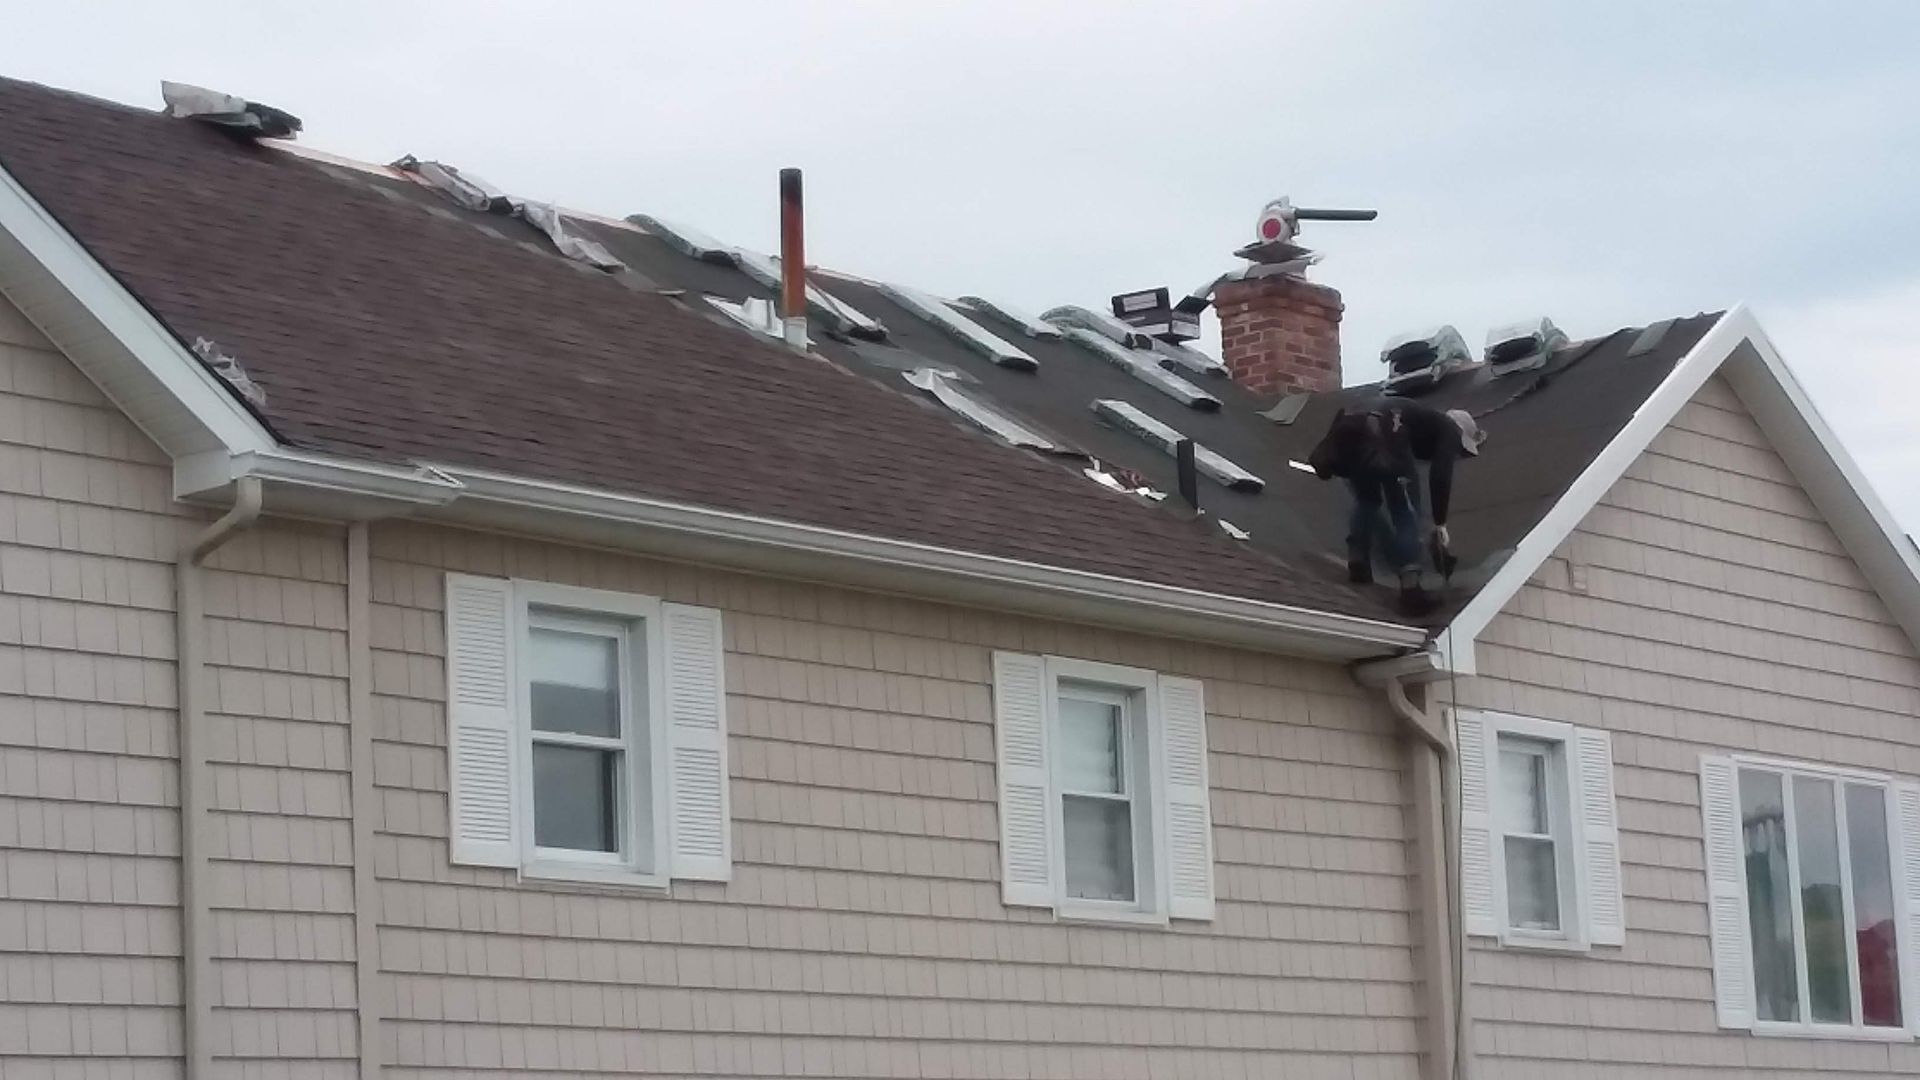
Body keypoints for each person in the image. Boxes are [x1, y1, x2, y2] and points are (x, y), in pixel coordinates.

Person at [1307, 399, 1486, 611]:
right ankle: (1411, 587)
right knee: (1405, 509)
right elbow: (1440, 475)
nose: (1458, 455)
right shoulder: (1449, 429)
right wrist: (1440, 524)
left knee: (1368, 498)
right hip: (1385, 438)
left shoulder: (1420, 419)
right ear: (1462, 433)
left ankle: (1358, 561)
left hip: (1357, 437)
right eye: (1461, 451)